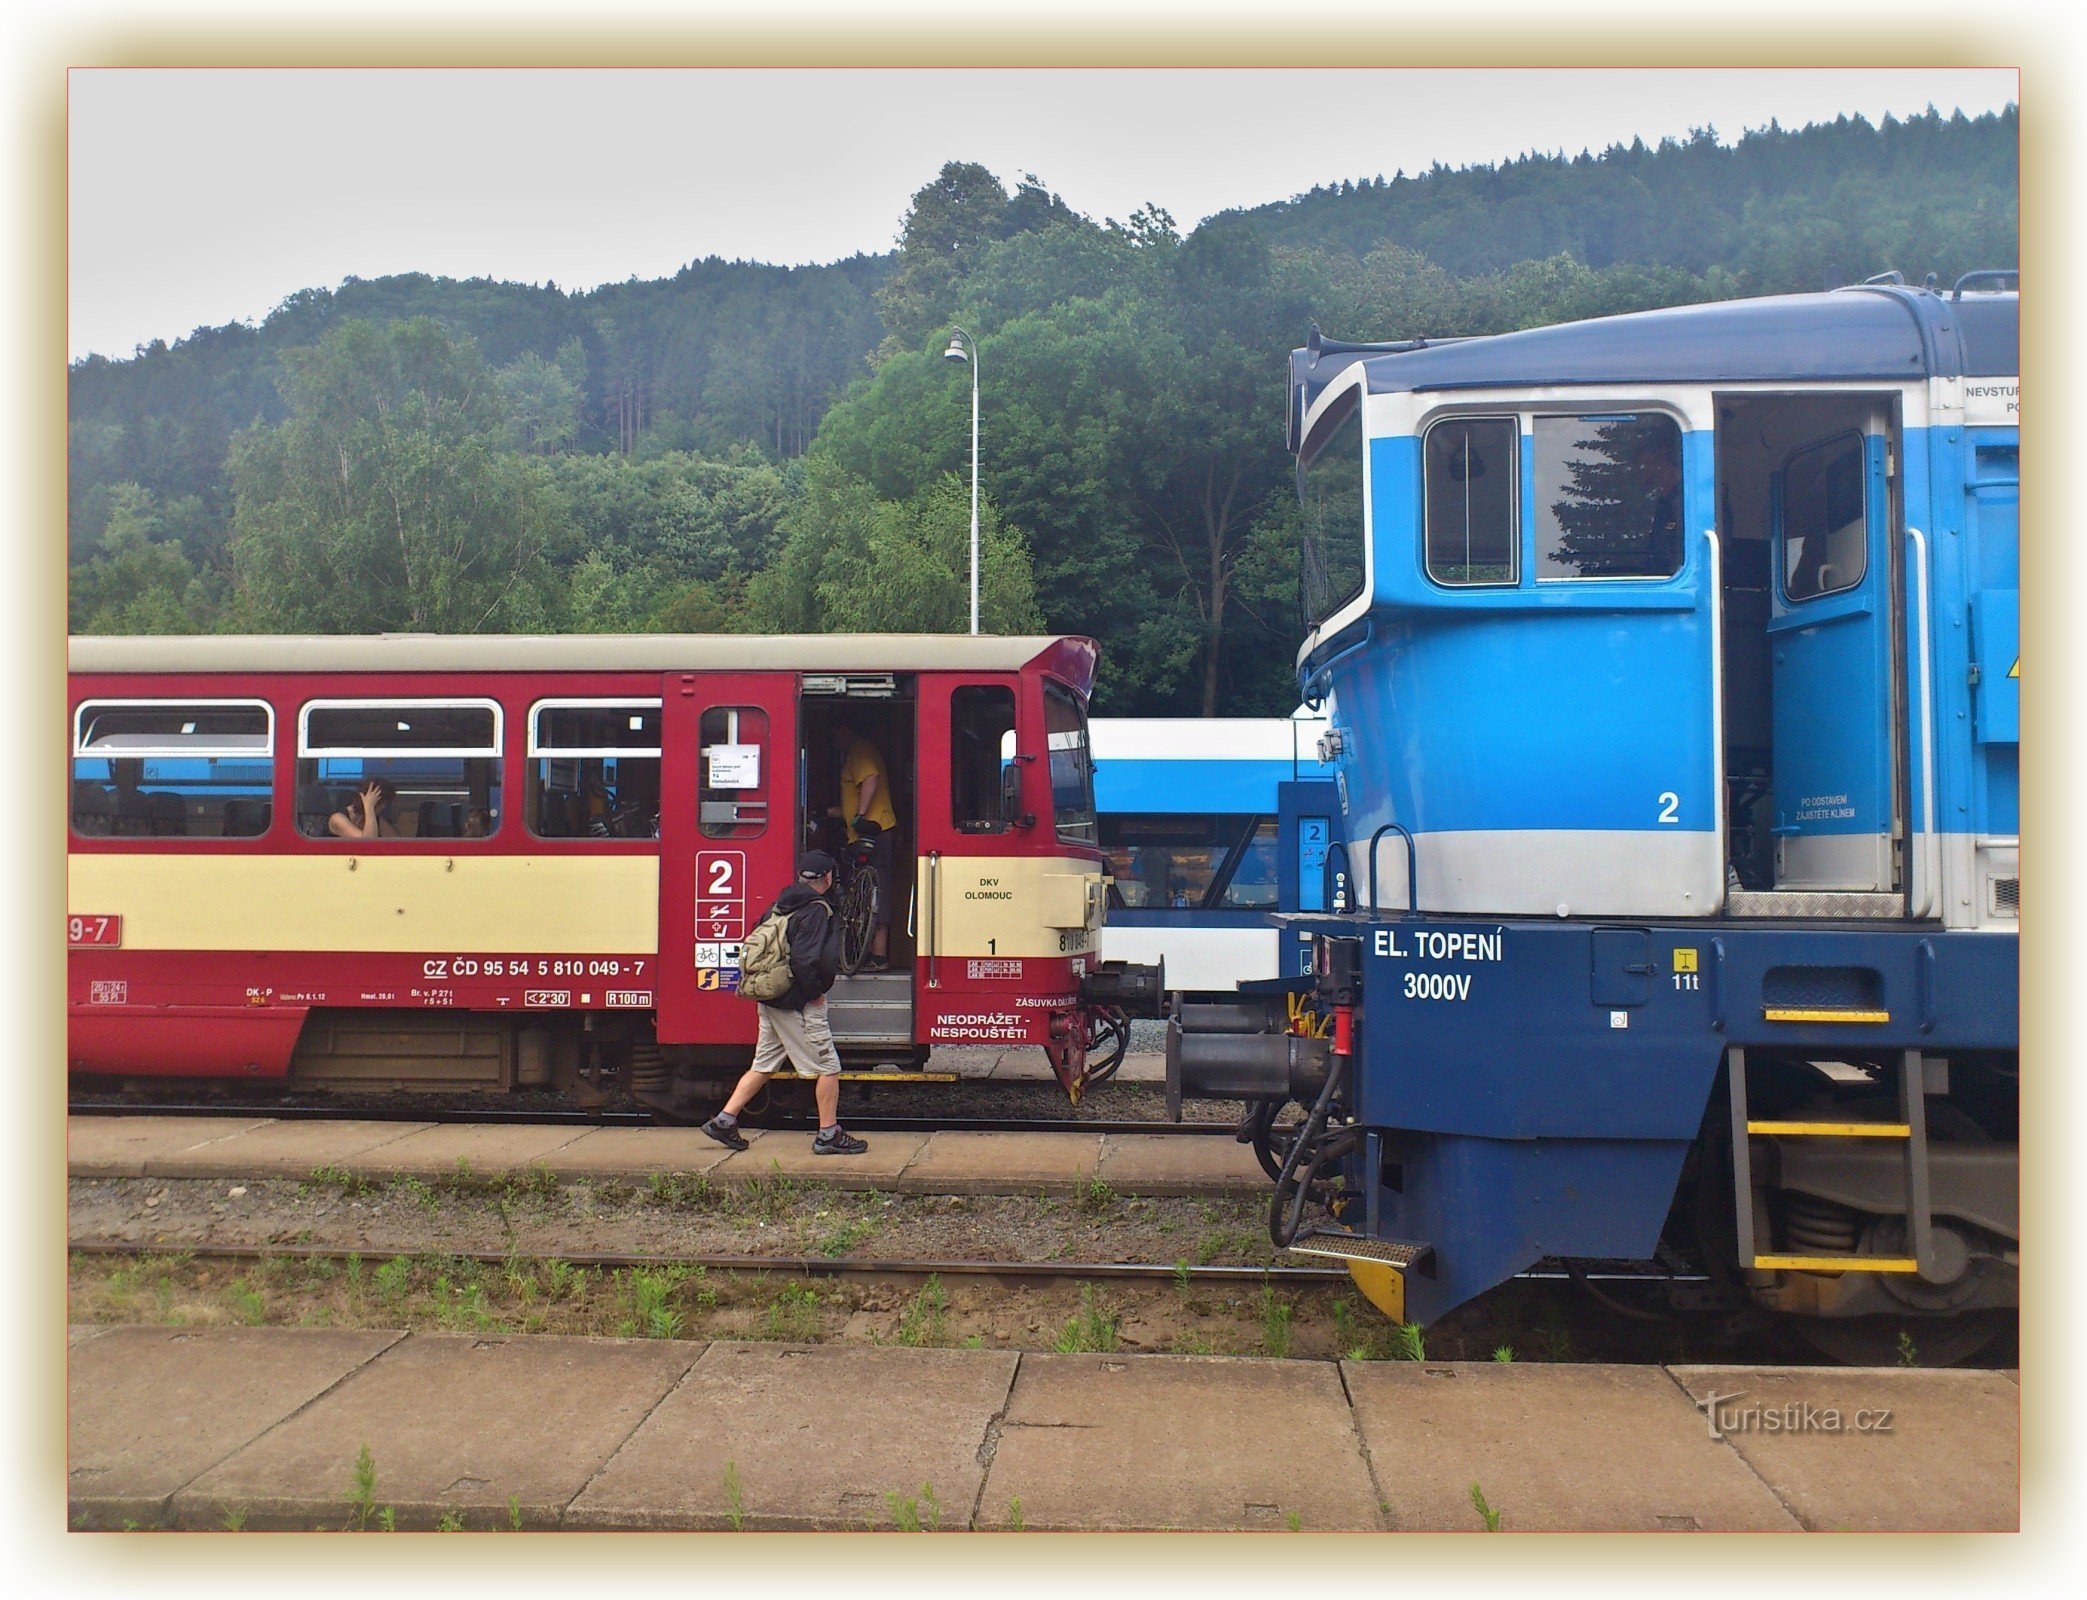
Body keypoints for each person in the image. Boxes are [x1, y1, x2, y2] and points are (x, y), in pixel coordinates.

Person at [702, 851, 869, 1156]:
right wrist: (814, 993)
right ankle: (828, 1135)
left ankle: (724, 1121)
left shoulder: (779, 905)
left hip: (770, 997)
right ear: (828, 877)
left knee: (763, 1065)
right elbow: (806, 960)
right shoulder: (817, 910)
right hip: (795, 1002)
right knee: (828, 1067)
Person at [826, 720, 899, 970]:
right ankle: (870, 954)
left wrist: (859, 815)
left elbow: (871, 777)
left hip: (875, 831)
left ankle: (879, 956)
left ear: (844, 729)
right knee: (868, 892)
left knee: (877, 891)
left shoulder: (860, 750)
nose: (834, 741)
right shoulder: (859, 751)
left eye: (834, 734)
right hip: (867, 831)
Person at [328, 778, 398, 840]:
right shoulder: (337, 819)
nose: (383, 807)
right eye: (380, 803)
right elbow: (368, 842)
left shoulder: (379, 822)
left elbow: (397, 842)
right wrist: (369, 807)